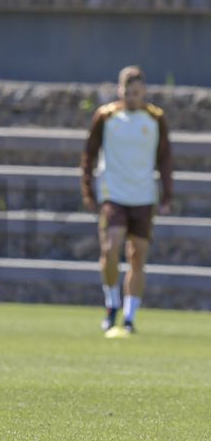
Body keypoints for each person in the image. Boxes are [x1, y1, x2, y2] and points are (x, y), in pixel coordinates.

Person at [80, 65, 172, 335]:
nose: (132, 96)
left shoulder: (155, 119)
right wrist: (88, 188)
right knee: (110, 248)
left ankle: (130, 317)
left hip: (143, 197)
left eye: (136, 92)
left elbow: (165, 158)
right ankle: (112, 304)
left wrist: (167, 194)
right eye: (127, 91)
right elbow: (89, 154)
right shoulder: (106, 116)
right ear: (120, 90)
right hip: (114, 194)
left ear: (143, 91)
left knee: (137, 257)